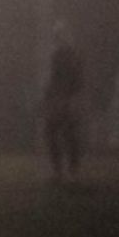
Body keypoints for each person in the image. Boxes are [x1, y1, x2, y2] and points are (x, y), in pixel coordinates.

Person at [41, 20, 86, 183]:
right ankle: (67, 171)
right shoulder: (70, 54)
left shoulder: (63, 54)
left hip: (63, 98)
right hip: (65, 98)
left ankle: (64, 172)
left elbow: (57, 79)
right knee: (63, 134)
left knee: (58, 133)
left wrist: (55, 97)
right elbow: (78, 80)